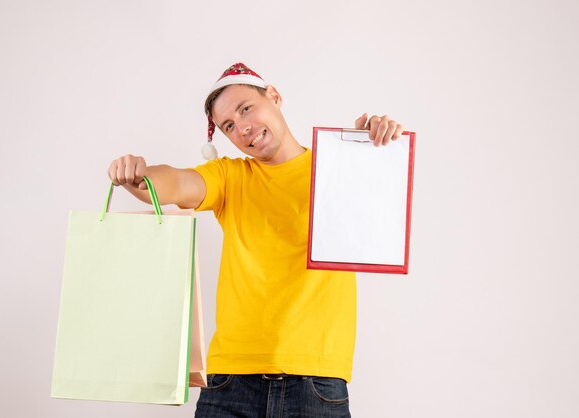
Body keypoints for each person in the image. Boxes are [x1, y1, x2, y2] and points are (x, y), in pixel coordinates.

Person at [108, 63, 404, 417]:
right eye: (228, 126)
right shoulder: (231, 177)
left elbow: (377, 212)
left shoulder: (335, 170)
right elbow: (178, 183)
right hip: (230, 381)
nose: (243, 127)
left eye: (246, 108)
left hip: (317, 381)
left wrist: (366, 154)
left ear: (275, 97)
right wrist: (141, 177)